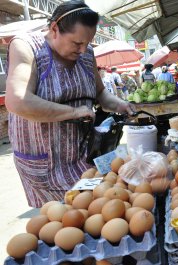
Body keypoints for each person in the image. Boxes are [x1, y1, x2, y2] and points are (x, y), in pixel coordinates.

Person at [5, 0, 136, 208]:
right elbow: (18, 102)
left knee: (91, 209)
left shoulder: (87, 54)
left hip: (84, 153)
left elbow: (100, 92)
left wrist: (120, 104)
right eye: (77, 43)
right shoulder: (27, 47)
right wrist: (73, 112)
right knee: (62, 219)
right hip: (45, 162)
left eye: (87, 43)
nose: (83, 50)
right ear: (55, 28)